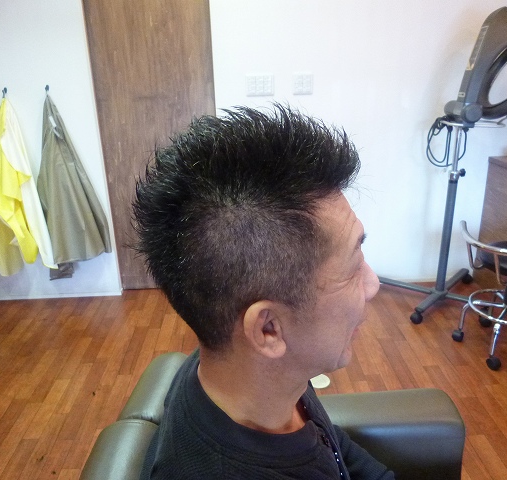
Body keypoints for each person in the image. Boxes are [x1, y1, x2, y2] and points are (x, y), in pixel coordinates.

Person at [132, 105, 393, 479]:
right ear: (268, 329)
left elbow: (334, 447)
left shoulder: (251, 377)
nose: (373, 284)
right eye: (352, 269)